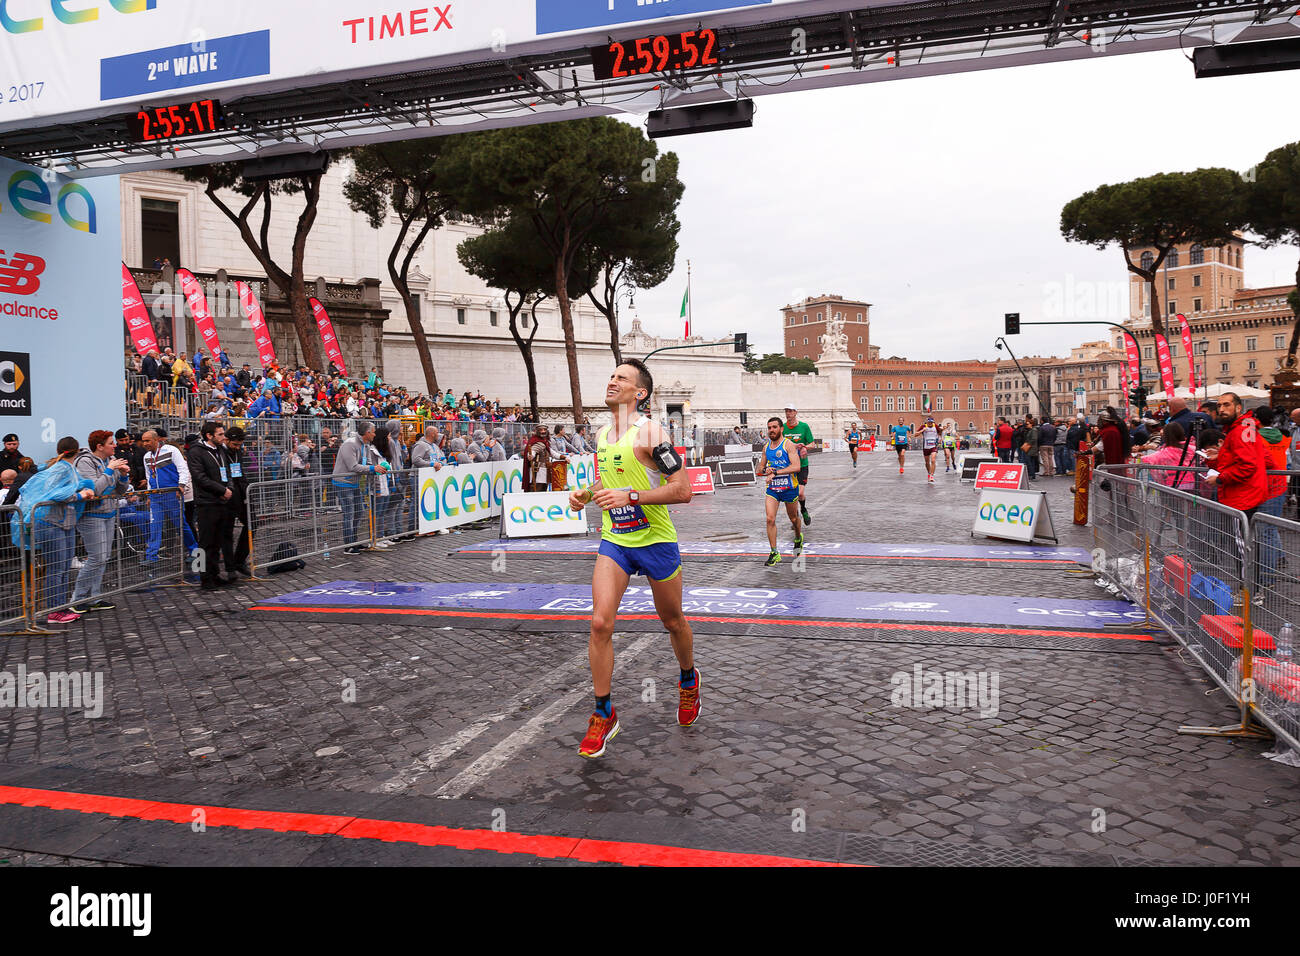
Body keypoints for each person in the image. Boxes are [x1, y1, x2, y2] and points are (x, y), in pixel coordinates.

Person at [568, 359, 696, 759]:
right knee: (600, 622)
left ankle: (689, 680)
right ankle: (604, 713)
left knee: (673, 621)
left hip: (656, 540)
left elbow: (683, 490)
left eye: (621, 378)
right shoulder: (604, 433)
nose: (612, 382)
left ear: (639, 393)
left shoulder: (652, 432)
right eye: (611, 375)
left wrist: (633, 497)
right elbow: (611, 480)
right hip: (616, 540)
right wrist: (586, 495)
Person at [15, 438, 95, 624]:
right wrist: (80, 494)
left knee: (63, 568)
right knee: (56, 568)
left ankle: (60, 607)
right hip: (50, 523)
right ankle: (54, 611)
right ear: (76, 452)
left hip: (61, 522)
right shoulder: (61, 469)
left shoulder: (65, 468)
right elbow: (54, 494)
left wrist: (84, 488)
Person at [66, 430, 132, 614]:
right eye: (111, 443)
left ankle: (94, 597)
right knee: (97, 557)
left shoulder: (108, 461)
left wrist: (124, 476)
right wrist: (110, 470)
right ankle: (77, 599)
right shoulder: (85, 461)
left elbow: (119, 491)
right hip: (91, 515)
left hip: (109, 513)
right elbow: (94, 489)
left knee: (103, 558)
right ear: (100, 446)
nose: (115, 445)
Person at [139, 429, 199, 577]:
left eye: (147, 441)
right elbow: (149, 476)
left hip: (172, 495)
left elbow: (183, 469)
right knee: (155, 526)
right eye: (143, 441)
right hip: (156, 497)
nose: (145, 443)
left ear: (156, 440)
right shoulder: (147, 456)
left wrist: (181, 485)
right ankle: (151, 556)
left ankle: (195, 551)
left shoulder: (171, 450)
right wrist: (148, 494)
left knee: (181, 525)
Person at [188, 421, 238, 590]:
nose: (224, 437)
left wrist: (229, 488)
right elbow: (200, 477)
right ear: (209, 436)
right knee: (205, 543)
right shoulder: (196, 452)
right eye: (220, 434)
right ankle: (204, 577)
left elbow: (228, 471)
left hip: (222, 501)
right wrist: (221, 490)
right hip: (206, 502)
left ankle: (215, 574)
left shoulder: (221, 450)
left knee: (217, 541)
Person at [330, 421, 389, 554]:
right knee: (349, 514)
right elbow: (353, 467)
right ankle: (349, 545)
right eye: (373, 432)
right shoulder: (350, 444)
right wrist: (373, 468)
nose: (375, 434)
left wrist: (378, 466)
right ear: (367, 433)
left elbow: (367, 463)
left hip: (354, 483)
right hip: (343, 482)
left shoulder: (366, 445)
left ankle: (354, 541)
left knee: (359, 511)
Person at [761, 416, 803, 566]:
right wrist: (766, 469)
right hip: (773, 489)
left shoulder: (788, 445)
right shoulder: (766, 447)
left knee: (793, 519)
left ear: (781, 429)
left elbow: (796, 466)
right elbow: (759, 469)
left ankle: (798, 537)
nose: (771, 430)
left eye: (774, 427)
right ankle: (774, 552)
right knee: (770, 519)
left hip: (789, 488)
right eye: (769, 428)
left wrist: (776, 472)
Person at [223, 427, 254, 575]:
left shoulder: (238, 452)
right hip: (228, 494)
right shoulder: (221, 453)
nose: (237, 447)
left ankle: (239, 560)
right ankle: (230, 566)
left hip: (241, 491)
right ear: (227, 440)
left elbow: (240, 470)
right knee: (226, 531)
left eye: (239, 445)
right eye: (235, 444)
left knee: (252, 524)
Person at [782, 404, 815, 526]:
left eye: (790, 411)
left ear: (795, 412)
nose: (788, 413)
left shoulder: (804, 427)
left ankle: (803, 509)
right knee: (792, 494)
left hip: (802, 465)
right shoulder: (783, 428)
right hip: (788, 466)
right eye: (786, 411)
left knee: (800, 493)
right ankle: (795, 518)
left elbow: (812, 444)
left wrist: (805, 448)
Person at [919, 416, 940, 483]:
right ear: (927, 422)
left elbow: (940, 432)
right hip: (926, 447)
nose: (930, 424)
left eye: (931, 422)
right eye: (929, 422)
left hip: (933, 446)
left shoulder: (935, 426)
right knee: (927, 462)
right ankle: (929, 473)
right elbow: (916, 434)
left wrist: (940, 438)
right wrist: (922, 430)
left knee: (933, 460)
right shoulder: (923, 426)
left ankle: (931, 475)